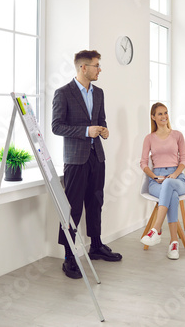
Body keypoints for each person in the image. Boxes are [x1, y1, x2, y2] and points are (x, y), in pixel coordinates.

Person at [52, 50, 122, 279]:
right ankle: (69, 257)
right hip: (75, 159)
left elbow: (100, 120)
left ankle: (96, 246)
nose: (99, 69)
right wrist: (85, 131)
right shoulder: (63, 93)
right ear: (83, 67)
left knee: (96, 202)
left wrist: (103, 129)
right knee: (71, 208)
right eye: (96, 65)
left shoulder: (99, 93)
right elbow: (56, 127)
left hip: (96, 156)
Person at [140, 102, 185, 260]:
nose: (164, 116)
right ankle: (174, 243)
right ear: (153, 117)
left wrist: (174, 174)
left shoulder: (177, 135)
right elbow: (143, 163)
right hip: (156, 180)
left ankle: (155, 229)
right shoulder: (149, 138)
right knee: (172, 196)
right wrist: (154, 177)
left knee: (169, 185)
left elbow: (184, 160)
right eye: (160, 114)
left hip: (177, 178)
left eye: (165, 113)